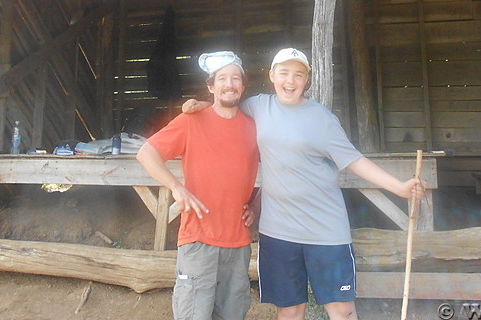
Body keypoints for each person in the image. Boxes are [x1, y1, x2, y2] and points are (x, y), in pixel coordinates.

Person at [184, 48, 425, 320]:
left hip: (326, 231)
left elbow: (354, 161)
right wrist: (203, 106)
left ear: (306, 80)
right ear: (272, 75)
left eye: (298, 75)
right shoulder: (258, 107)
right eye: (284, 73)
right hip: (278, 233)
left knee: (342, 310)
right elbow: (227, 106)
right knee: (290, 310)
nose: (290, 81)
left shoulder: (322, 119)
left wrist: (399, 187)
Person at [136, 51, 259, 320]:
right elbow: (146, 153)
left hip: (238, 242)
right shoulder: (191, 120)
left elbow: (274, 168)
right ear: (210, 86)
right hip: (198, 238)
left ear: (243, 85)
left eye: (235, 78)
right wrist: (176, 187)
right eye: (222, 79)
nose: (230, 84)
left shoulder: (254, 127)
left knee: (232, 314)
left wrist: (256, 204)